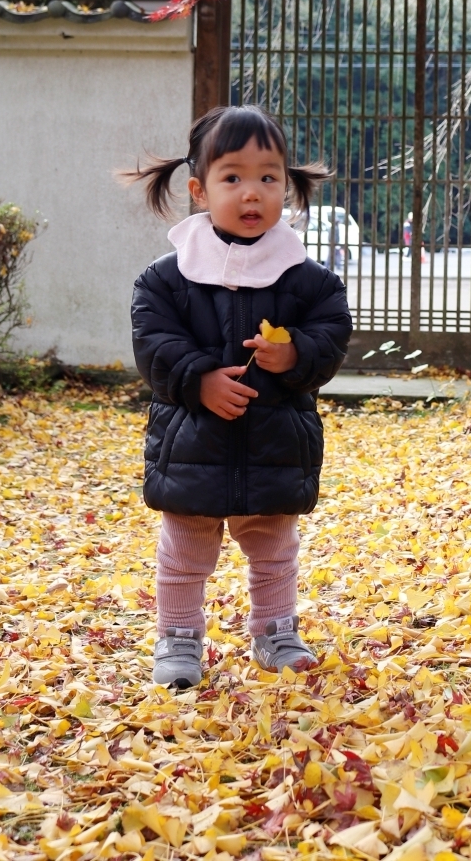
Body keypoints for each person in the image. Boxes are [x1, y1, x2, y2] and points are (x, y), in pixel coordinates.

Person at [127, 105, 352, 690]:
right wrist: (198, 378)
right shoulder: (166, 278)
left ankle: (275, 630)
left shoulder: (307, 277)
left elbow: (332, 331)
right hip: (193, 441)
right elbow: (154, 341)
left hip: (274, 439)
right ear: (200, 189)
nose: (252, 193)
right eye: (233, 178)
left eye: (268, 177)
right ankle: (178, 637)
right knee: (184, 549)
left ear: (288, 186)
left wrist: (297, 352)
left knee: (274, 545)